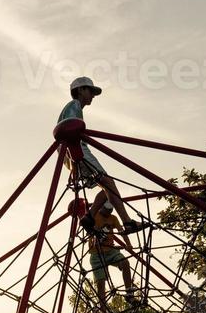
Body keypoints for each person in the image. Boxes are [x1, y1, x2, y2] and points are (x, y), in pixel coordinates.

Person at [57, 77, 148, 235]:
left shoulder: (74, 107)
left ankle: (89, 217)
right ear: (80, 90)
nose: (93, 95)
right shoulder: (74, 105)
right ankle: (126, 221)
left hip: (72, 151)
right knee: (109, 183)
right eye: (90, 91)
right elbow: (69, 128)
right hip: (78, 149)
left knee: (107, 185)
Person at [83, 190, 137, 309]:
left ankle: (129, 293)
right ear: (101, 207)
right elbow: (86, 224)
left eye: (110, 211)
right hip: (96, 254)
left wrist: (128, 244)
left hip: (110, 251)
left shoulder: (113, 218)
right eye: (106, 211)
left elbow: (122, 231)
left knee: (125, 262)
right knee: (101, 284)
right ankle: (103, 310)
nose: (107, 213)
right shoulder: (94, 215)